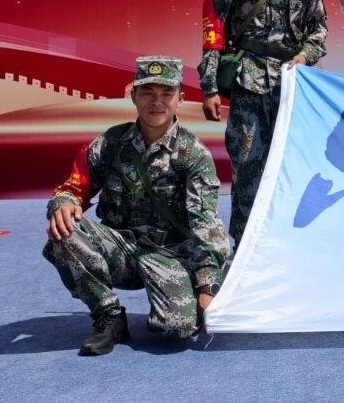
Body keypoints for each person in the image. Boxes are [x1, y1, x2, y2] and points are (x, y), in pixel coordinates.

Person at [44, 56, 228, 355]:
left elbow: (206, 225)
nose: (157, 102)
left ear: (180, 99)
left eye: (166, 93)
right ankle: (109, 317)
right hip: (121, 250)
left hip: (169, 255)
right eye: (147, 93)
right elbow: (73, 187)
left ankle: (187, 295)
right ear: (133, 96)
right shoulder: (111, 143)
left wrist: (208, 286)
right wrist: (63, 203)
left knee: (177, 329)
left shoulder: (193, 155)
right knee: (66, 229)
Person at [199, 0, 327, 246]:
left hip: (291, 88)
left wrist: (305, 55)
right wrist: (210, 87)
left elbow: (318, 29)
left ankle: (283, 244)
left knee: (289, 166)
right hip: (248, 83)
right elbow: (214, 31)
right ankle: (243, 247)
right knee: (247, 167)